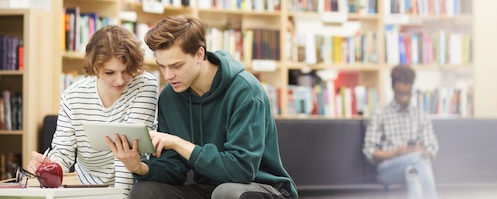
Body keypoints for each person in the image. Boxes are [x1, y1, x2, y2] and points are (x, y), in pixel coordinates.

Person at [108, 15, 297, 199]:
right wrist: (138, 167)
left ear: (199, 54)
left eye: (176, 66)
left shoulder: (245, 91)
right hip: (208, 189)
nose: (168, 76)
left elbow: (242, 170)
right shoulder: (169, 97)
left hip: (261, 188)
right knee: (145, 191)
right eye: (162, 67)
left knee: (227, 193)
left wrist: (177, 142)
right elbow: (173, 170)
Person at [26, 24, 159, 197]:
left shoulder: (145, 85)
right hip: (87, 187)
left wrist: (120, 196)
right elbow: (63, 152)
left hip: (137, 186)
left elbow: (127, 153)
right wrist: (50, 167)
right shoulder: (72, 96)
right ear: (95, 68)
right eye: (109, 72)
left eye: (126, 71)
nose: (120, 80)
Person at [363, 64, 439, 199]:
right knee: (419, 160)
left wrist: (418, 150)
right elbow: (370, 152)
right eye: (400, 94)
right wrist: (396, 153)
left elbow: (432, 149)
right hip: (388, 170)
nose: (404, 98)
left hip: (416, 165)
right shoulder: (379, 114)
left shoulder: (420, 115)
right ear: (393, 88)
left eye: (408, 93)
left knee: (413, 174)